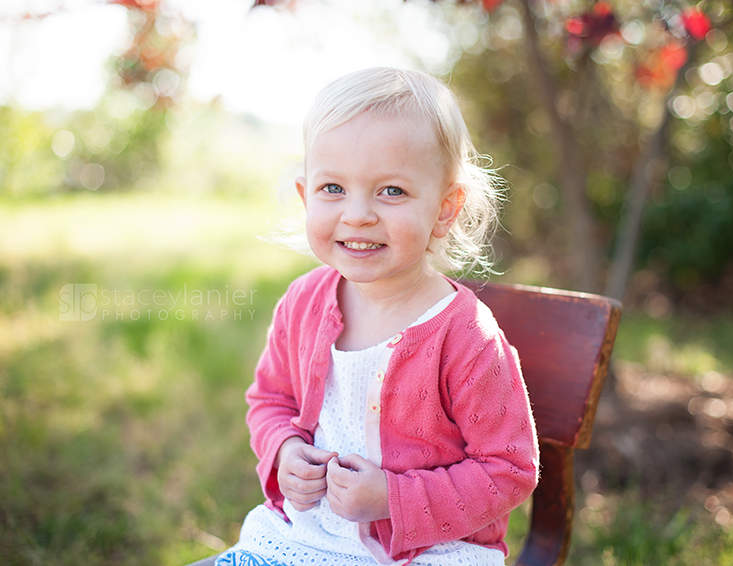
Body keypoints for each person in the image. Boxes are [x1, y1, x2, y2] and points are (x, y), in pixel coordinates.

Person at [216, 67, 539, 566]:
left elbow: (508, 468)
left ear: (445, 208)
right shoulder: (303, 302)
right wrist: (283, 451)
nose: (358, 214)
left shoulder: (466, 336)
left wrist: (392, 497)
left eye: (391, 191)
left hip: (432, 551)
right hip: (307, 537)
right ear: (306, 195)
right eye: (333, 188)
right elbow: (269, 398)